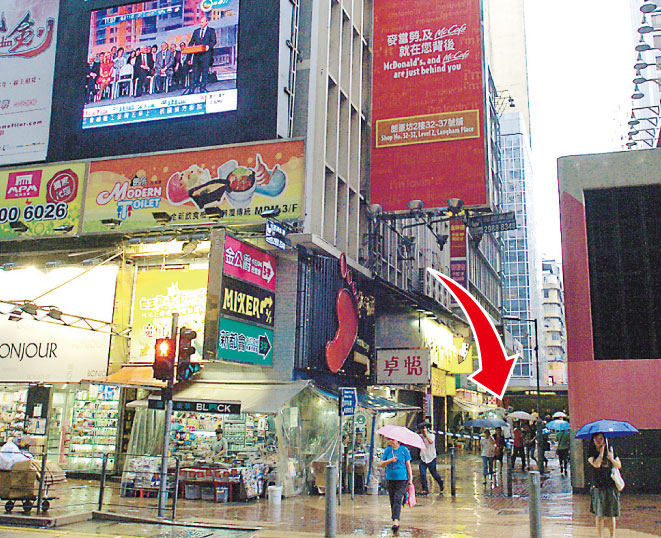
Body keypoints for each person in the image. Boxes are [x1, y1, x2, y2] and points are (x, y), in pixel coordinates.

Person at [588, 433, 621, 538]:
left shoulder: (611, 450)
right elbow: (596, 464)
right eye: (596, 438)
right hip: (598, 486)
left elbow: (619, 465)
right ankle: (600, 536)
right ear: (593, 440)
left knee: (611, 514)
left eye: (601, 438)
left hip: (611, 485)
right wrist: (601, 453)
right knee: (599, 514)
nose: (598, 441)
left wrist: (611, 458)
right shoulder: (591, 452)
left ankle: (612, 536)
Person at [379, 438, 412, 534]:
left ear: (398, 441)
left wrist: (410, 478)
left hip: (402, 479)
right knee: (392, 499)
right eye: (390, 440)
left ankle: (396, 521)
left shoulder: (404, 450)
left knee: (398, 498)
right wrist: (390, 460)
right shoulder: (388, 450)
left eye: (393, 440)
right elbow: (381, 464)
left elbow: (408, 464)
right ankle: (394, 518)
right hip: (390, 478)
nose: (392, 442)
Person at [185, 14, 216, 94]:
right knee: (195, 73)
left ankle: (202, 88)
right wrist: (188, 57)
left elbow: (214, 41)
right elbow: (191, 43)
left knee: (204, 73)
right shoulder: (196, 31)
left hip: (206, 56)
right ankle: (192, 89)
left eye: (202, 22)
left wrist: (208, 46)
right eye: (200, 22)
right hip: (197, 56)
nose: (200, 24)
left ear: (206, 22)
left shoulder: (211, 31)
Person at [417, 422, 444, 495]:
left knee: (434, 474)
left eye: (424, 429)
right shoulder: (420, 437)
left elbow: (430, 442)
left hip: (431, 457)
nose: (423, 431)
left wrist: (426, 435)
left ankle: (440, 482)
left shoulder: (432, 436)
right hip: (423, 457)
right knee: (422, 474)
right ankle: (425, 489)